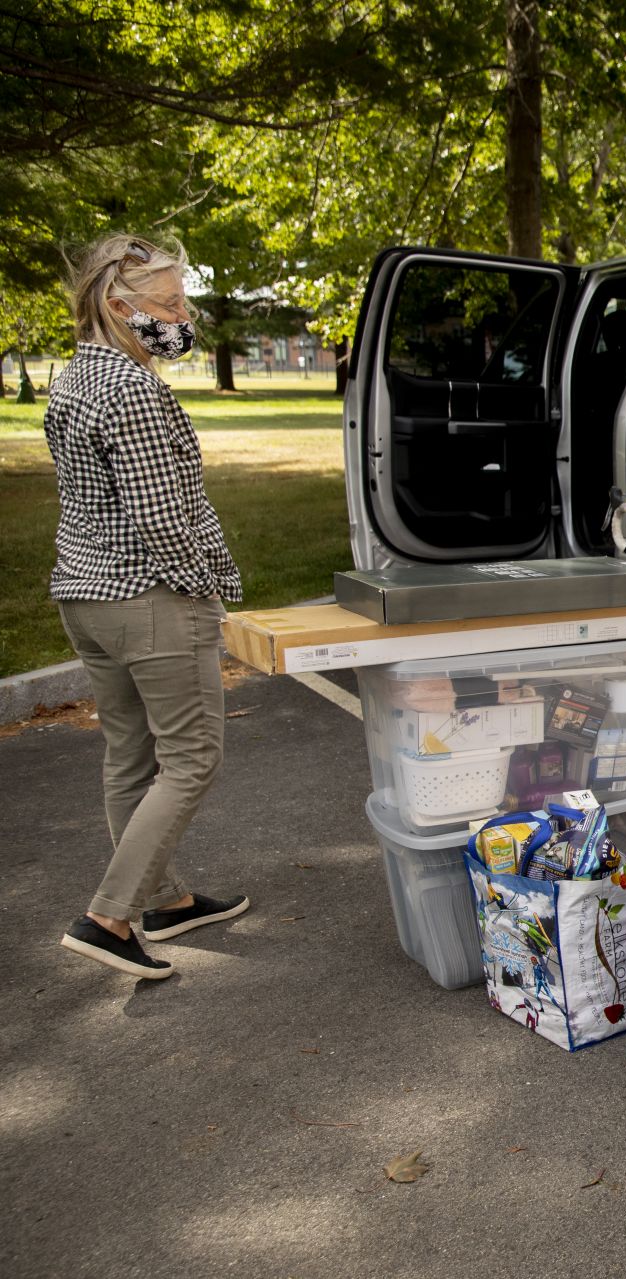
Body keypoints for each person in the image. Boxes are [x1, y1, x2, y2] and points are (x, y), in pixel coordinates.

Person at [45, 233, 249, 980]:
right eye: (169, 303)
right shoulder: (132, 389)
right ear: (117, 304)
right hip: (149, 598)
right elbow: (163, 518)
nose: (183, 314)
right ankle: (110, 914)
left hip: (87, 595)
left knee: (131, 755)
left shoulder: (74, 379)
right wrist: (208, 585)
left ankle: (163, 897)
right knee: (192, 756)